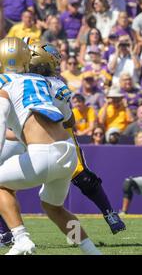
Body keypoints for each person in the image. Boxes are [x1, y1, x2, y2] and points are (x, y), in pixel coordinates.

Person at [0, 37, 100, 255]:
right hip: (67, 152)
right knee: (54, 208)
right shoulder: (48, 83)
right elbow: (69, 120)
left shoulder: (5, 83)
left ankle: (21, 239)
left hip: (41, 154)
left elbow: (0, 119)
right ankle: (93, 252)